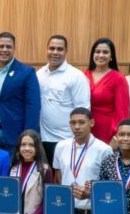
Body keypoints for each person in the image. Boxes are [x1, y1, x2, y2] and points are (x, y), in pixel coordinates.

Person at [0, 32, 41, 153]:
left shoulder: (27, 72)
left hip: (16, 135)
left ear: (14, 49)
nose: (4, 49)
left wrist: (28, 135)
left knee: (12, 171)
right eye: (1, 46)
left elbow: (33, 105)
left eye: (9, 47)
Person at [37, 35, 90, 164]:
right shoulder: (39, 74)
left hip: (66, 139)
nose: (55, 52)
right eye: (52, 48)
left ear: (66, 51)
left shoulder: (76, 76)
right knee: (47, 180)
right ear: (46, 50)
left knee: (63, 180)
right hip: (42, 139)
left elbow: (83, 109)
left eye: (59, 49)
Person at [84, 38, 130, 145]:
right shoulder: (84, 75)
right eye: (97, 51)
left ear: (111, 56)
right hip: (86, 128)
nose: (101, 55)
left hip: (108, 131)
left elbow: (122, 112)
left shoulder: (118, 78)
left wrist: (116, 137)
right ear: (92, 54)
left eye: (105, 52)